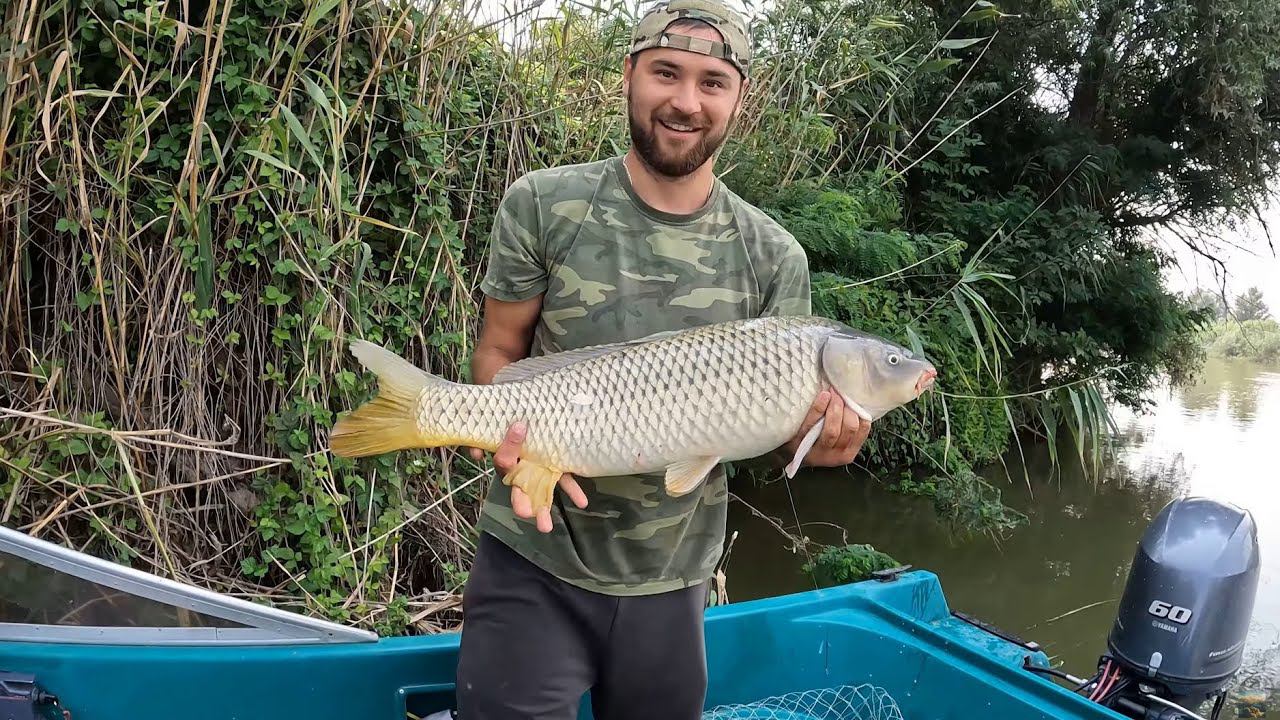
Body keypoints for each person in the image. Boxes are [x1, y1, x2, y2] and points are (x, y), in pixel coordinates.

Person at [452, 1, 872, 717]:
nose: (685, 101)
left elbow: (778, 442)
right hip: (535, 558)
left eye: (712, 82)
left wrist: (825, 444)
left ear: (739, 98)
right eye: (666, 74)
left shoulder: (773, 257)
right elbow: (498, 352)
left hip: (673, 582)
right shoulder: (545, 204)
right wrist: (520, 448)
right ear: (629, 76)